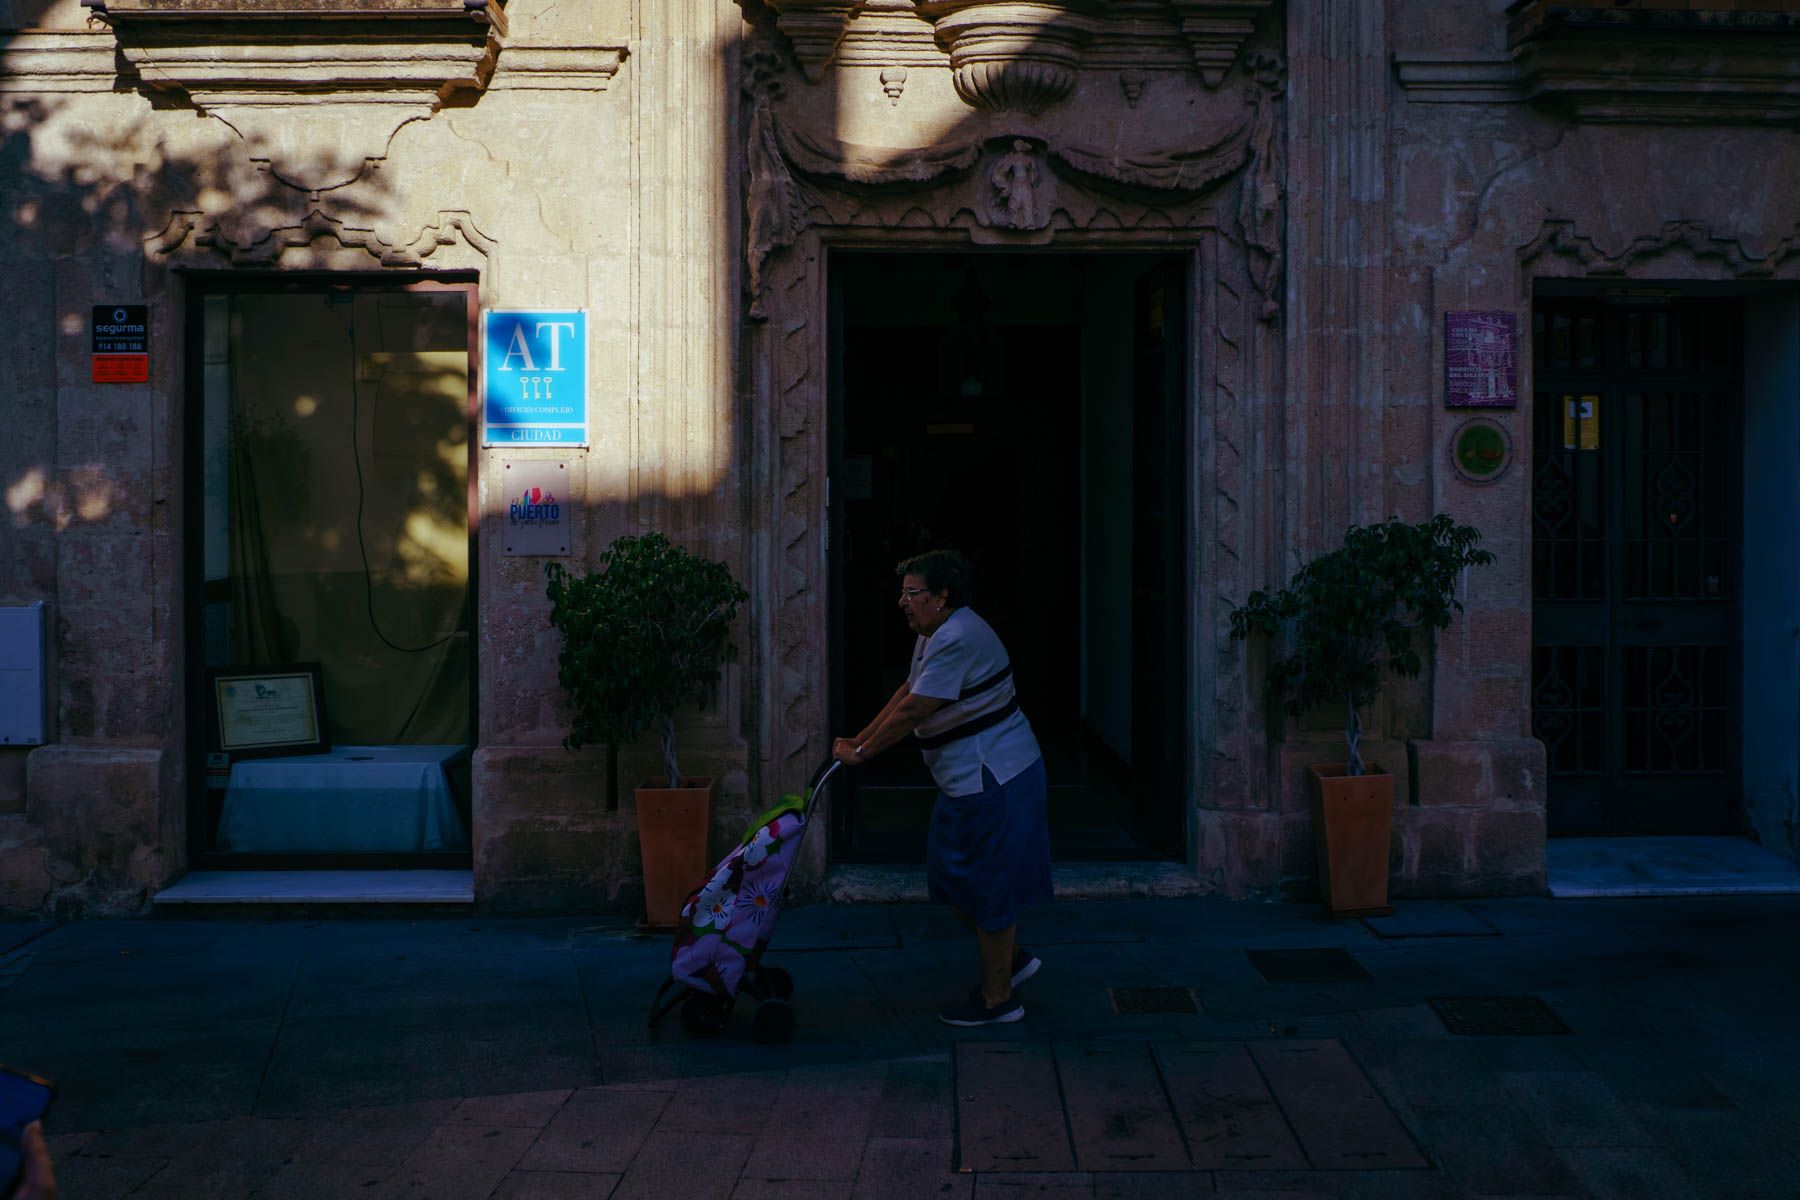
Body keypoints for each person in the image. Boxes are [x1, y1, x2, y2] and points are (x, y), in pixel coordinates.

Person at [834, 549, 1051, 1026]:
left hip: (993, 777)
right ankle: (1010, 959)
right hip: (967, 781)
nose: (902, 602)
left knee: (987, 884)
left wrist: (864, 756)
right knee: (950, 876)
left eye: (913, 593)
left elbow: (916, 711)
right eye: (903, 592)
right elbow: (906, 695)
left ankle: (999, 1000)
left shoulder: (957, 636)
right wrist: (860, 737)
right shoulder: (933, 635)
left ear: (942, 596)